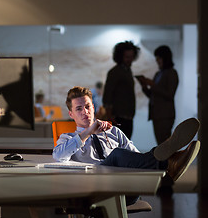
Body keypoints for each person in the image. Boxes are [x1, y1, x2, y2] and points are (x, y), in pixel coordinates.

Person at [53, 86, 200, 205]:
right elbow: (58, 156)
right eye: (79, 108)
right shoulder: (68, 138)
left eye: (87, 106)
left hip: (126, 189)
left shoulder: (113, 131)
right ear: (71, 114)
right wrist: (88, 133)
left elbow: (137, 158)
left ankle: (167, 162)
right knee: (116, 154)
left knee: (130, 156)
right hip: (93, 190)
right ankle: (169, 163)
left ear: (94, 107)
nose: (85, 112)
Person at [135, 45, 179, 193]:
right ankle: (166, 181)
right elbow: (154, 96)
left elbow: (169, 94)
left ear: (165, 58)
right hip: (157, 115)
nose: (157, 61)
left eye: (159, 58)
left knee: (165, 149)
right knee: (162, 148)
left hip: (165, 115)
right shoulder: (159, 74)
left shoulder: (171, 73)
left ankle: (168, 182)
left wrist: (152, 85)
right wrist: (144, 87)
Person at [102, 41, 140, 139]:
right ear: (120, 57)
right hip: (118, 117)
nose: (130, 60)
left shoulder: (127, 71)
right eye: (127, 57)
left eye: (131, 57)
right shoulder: (115, 72)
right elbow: (108, 94)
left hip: (127, 116)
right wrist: (110, 115)